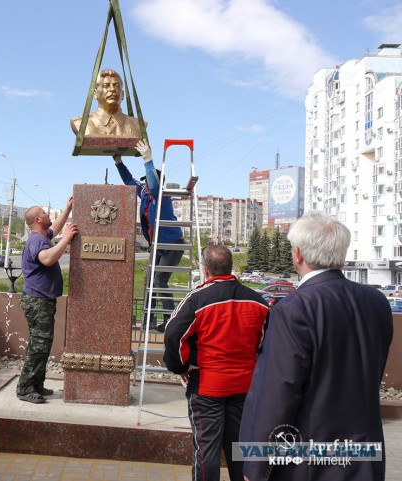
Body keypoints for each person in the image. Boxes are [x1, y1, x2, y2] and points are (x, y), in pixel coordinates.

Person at [240, 212, 393, 481]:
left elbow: (278, 394)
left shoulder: (294, 309)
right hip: (364, 455)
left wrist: (256, 465)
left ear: (297, 255)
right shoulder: (376, 301)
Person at [164, 245, 269, 481]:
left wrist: (181, 366)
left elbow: (172, 334)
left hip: (207, 387)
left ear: (205, 270)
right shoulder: (258, 302)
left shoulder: (197, 299)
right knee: (239, 448)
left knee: (207, 449)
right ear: (230, 267)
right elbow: (265, 344)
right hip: (244, 387)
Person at [113, 138, 183, 331]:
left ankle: (172, 320)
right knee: (150, 282)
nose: (146, 185)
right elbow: (129, 181)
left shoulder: (162, 195)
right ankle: (149, 320)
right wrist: (118, 162)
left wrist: (148, 159)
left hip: (172, 244)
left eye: (149, 182)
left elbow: (153, 184)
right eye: (145, 183)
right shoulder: (145, 193)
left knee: (159, 281)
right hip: (157, 245)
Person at [16, 197, 78, 404]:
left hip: (42, 300)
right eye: (44, 213)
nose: (48, 214)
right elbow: (48, 258)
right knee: (38, 345)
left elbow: (57, 227)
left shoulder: (42, 235)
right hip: (37, 301)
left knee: (43, 343)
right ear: (37, 219)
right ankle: (25, 388)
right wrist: (66, 239)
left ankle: (36, 384)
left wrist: (68, 208)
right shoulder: (36, 241)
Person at [71, 69, 144, 137]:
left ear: (122, 94)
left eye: (116, 85)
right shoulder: (80, 124)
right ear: (95, 94)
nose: (112, 89)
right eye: (106, 86)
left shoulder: (137, 125)